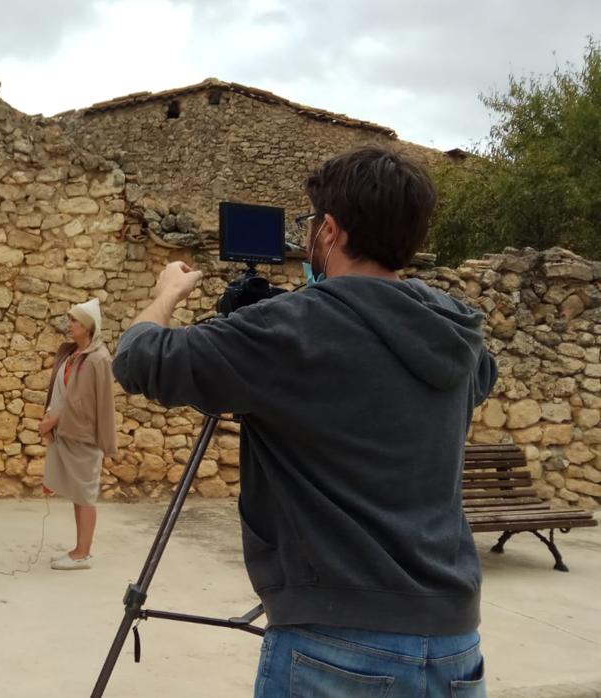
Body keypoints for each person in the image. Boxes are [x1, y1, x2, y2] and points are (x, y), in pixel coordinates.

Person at [112, 146, 497, 696]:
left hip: (336, 644)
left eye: (310, 224)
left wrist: (164, 296)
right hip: (456, 644)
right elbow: (477, 375)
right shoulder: (455, 331)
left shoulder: (289, 330)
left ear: (330, 232)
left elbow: (138, 358)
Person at [40, 298, 118, 571]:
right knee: (77, 494)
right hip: (67, 434)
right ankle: (78, 549)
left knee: (85, 494)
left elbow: (93, 404)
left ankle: (83, 554)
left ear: (87, 326)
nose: (69, 324)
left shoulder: (98, 359)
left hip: (83, 436)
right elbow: (63, 393)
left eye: (74, 320)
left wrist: (52, 422)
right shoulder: (73, 354)